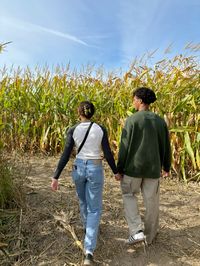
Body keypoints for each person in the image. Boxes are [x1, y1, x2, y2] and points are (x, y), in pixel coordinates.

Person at [51, 101, 120, 266]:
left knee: (83, 201)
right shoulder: (100, 129)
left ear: (79, 112)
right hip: (95, 168)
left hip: (79, 168)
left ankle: (87, 227)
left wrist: (56, 176)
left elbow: (66, 154)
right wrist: (115, 171)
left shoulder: (73, 129)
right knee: (94, 208)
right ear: (92, 113)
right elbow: (108, 152)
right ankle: (88, 251)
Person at [116, 87, 171, 245]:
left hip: (133, 169)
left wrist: (119, 169)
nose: (133, 102)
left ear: (140, 100)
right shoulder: (160, 121)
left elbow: (124, 147)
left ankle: (136, 230)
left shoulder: (132, 120)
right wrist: (166, 167)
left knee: (128, 195)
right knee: (152, 203)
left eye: (134, 99)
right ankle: (150, 237)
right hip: (153, 170)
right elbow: (166, 146)